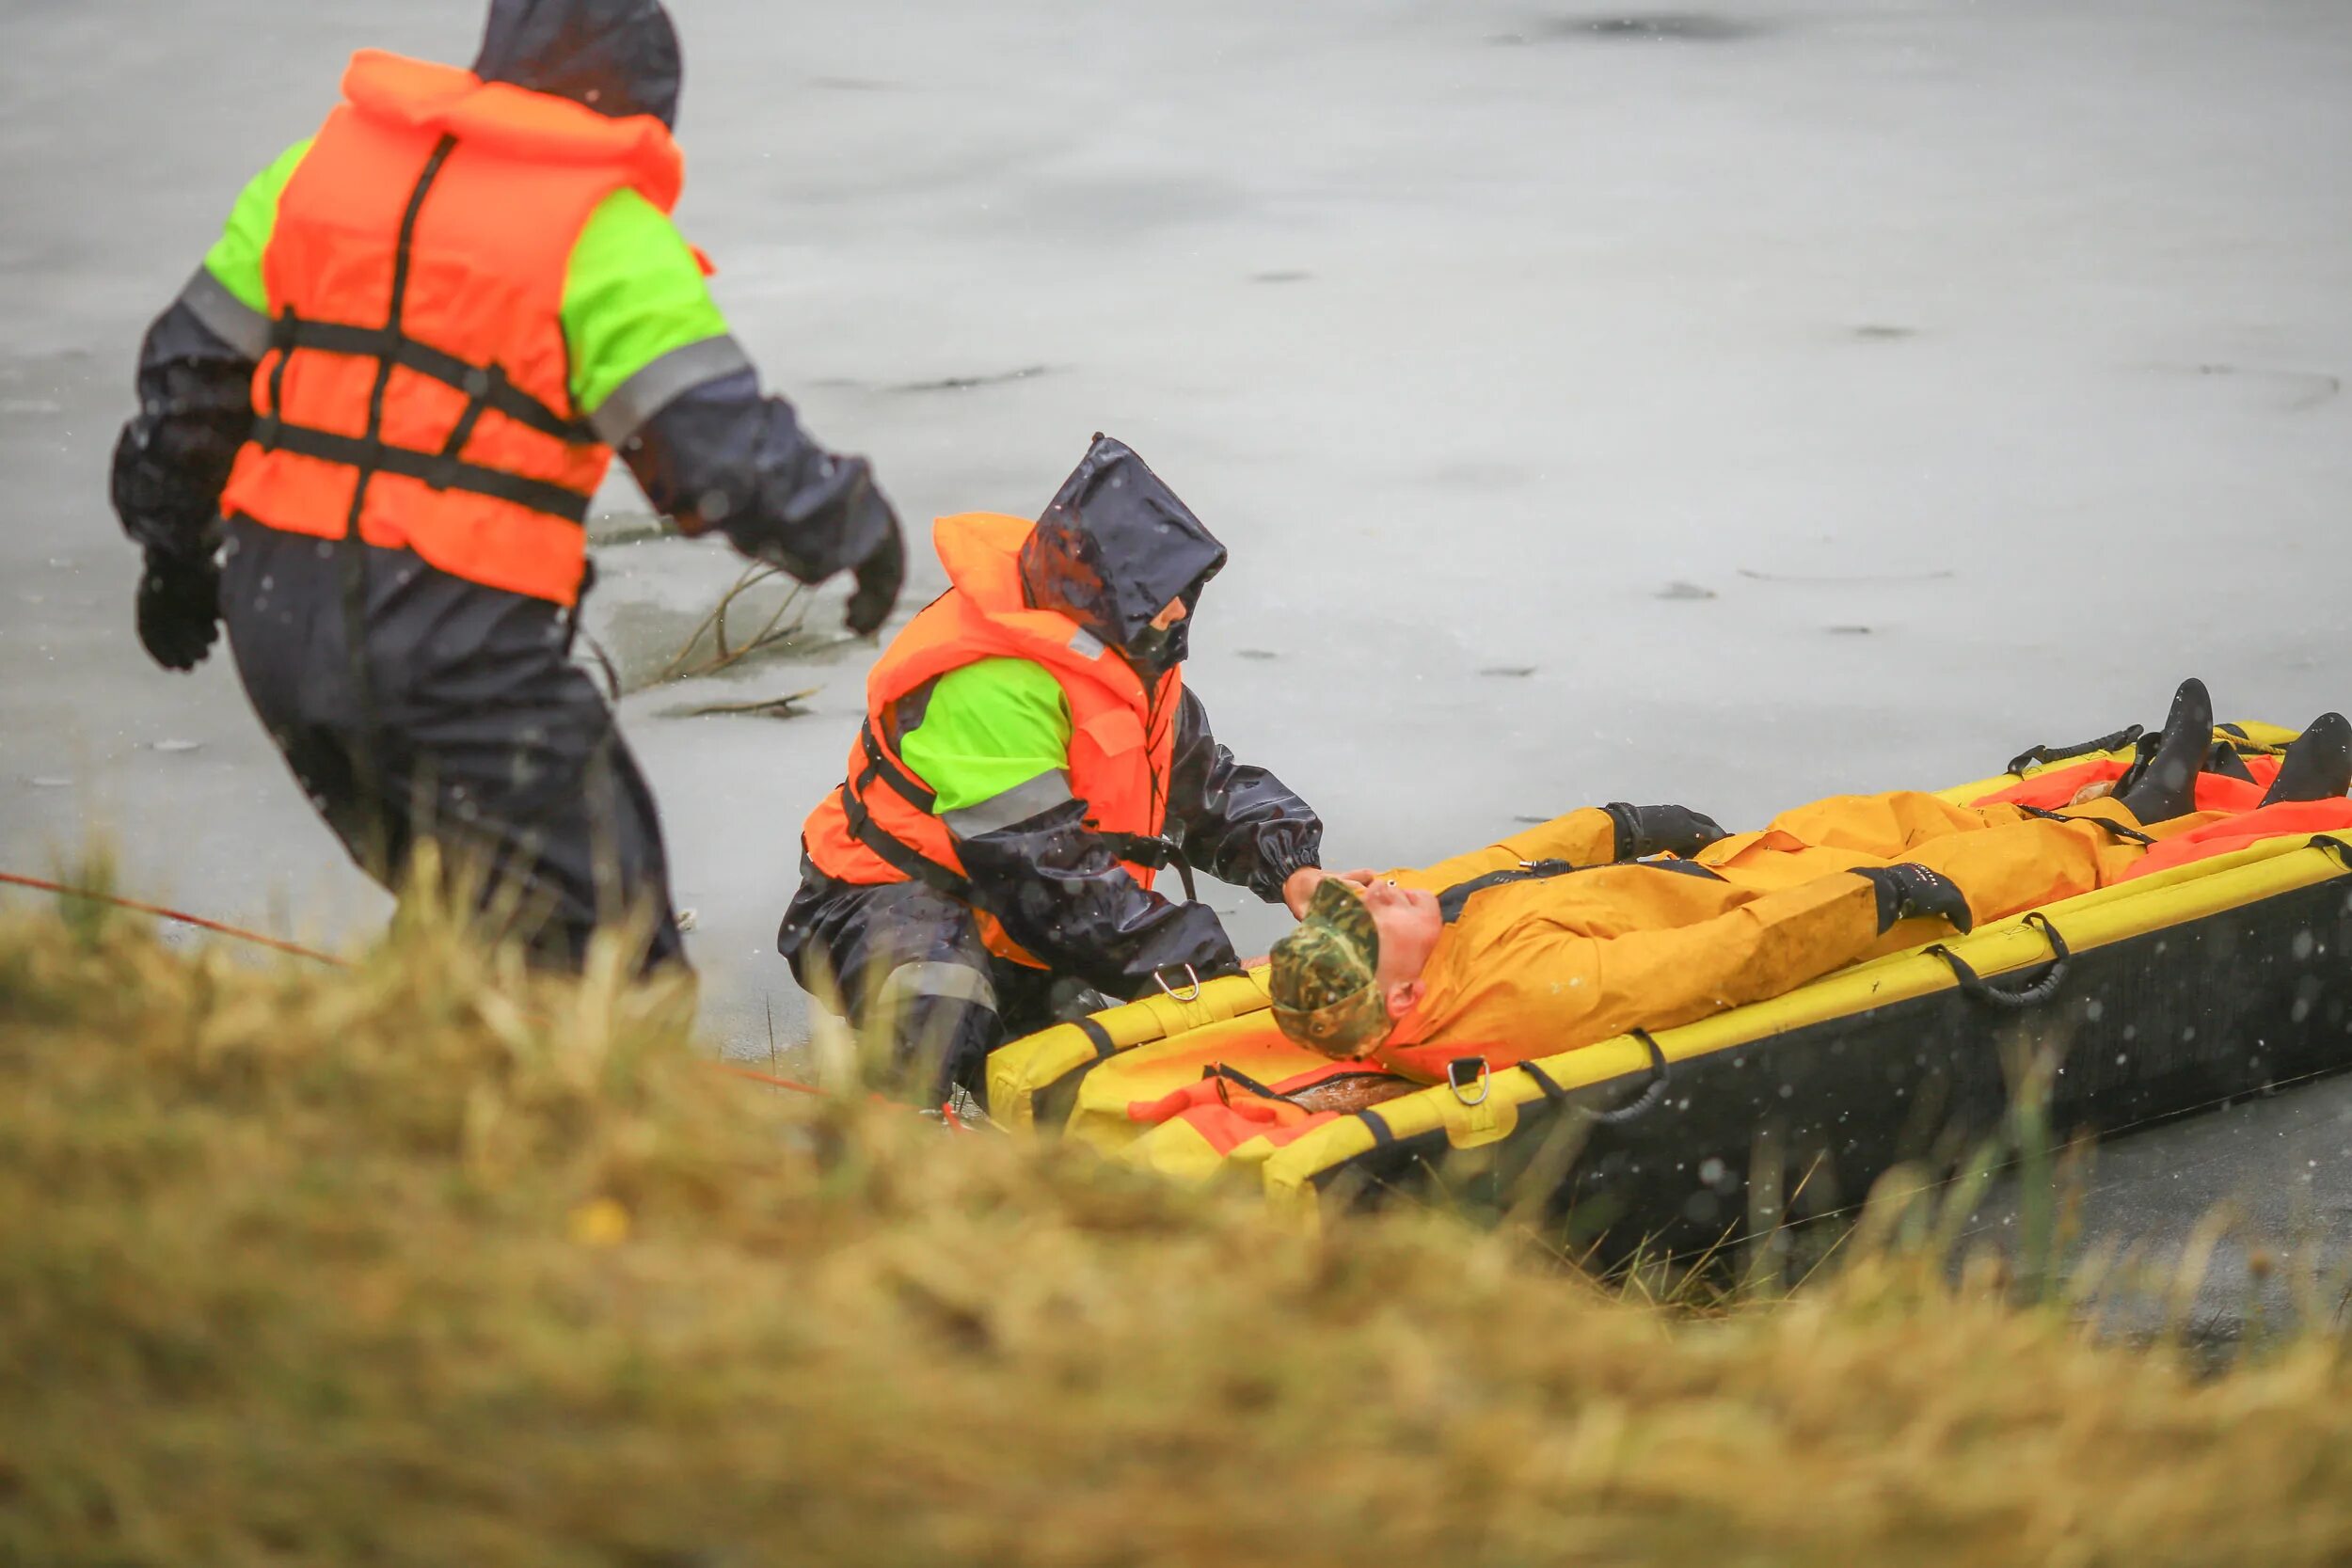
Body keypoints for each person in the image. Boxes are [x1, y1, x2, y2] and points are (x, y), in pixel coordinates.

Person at [109, 0, 905, 973]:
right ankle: (550, 1110)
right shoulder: (599, 233)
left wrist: (175, 550)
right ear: (643, 106)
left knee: (472, 909)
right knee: (607, 945)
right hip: (452, 644)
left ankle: (405, 1085)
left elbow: (189, 377)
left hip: (278, 625)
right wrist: (854, 527)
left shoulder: (314, 172)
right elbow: (719, 457)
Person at [1269, 680, 2352, 1080]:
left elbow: (1478, 872)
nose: (1379, 889)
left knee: (1886, 813)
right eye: (1372, 913)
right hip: (1789, 919)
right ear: (1399, 1001)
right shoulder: (1513, 1000)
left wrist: (1611, 826)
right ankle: (2183, 820)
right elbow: (1712, 964)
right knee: (2004, 864)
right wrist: (1869, 898)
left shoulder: (1430, 940)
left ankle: (2133, 802)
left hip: (1730, 873)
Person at [781, 434, 1326, 1105]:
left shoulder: (1132, 657)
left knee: (1091, 1087)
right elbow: (1046, 875)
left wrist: (1296, 868)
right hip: (879, 901)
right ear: (1098, 593)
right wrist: (1207, 969)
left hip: (1018, 920)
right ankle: (887, 1144)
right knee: (940, 996)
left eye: (1184, 590)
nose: (1179, 608)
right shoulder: (992, 687)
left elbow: (1202, 790)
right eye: (1161, 591)